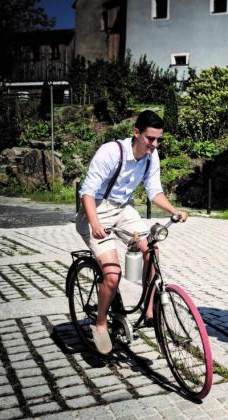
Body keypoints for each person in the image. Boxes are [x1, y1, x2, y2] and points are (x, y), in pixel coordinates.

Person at [76, 110, 188, 354]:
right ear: (136, 133)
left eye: (159, 140)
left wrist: (174, 210)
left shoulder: (151, 156)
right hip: (95, 210)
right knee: (113, 275)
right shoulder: (110, 152)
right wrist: (94, 224)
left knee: (152, 248)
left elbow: (154, 191)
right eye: (150, 139)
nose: (155, 144)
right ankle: (101, 323)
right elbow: (86, 191)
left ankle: (149, 310)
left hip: (123, 210)